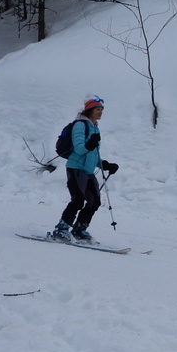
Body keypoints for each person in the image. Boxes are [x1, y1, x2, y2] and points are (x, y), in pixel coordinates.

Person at [51, 95, 119, 242]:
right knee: (78, 200)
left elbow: (93, 153)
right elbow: (80, 149)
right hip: (75, 168)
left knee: (94, 201)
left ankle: (79, 230)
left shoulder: (94, 127)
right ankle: (61, 230)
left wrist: (105, 165)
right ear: (89, 110)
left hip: (87, 171)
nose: (100, 112)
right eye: (97, 109)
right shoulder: (80, 125)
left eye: (102, 109)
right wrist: (90, 144)